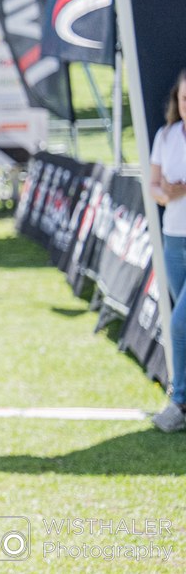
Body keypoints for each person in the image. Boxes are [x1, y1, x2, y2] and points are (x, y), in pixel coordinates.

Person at [147, 68, 186, 432]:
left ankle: (179, 400)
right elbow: (154, 186)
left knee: (179, 323)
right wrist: (167, 194)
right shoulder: (166, 136)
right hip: (173, 238)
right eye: (185, 98)